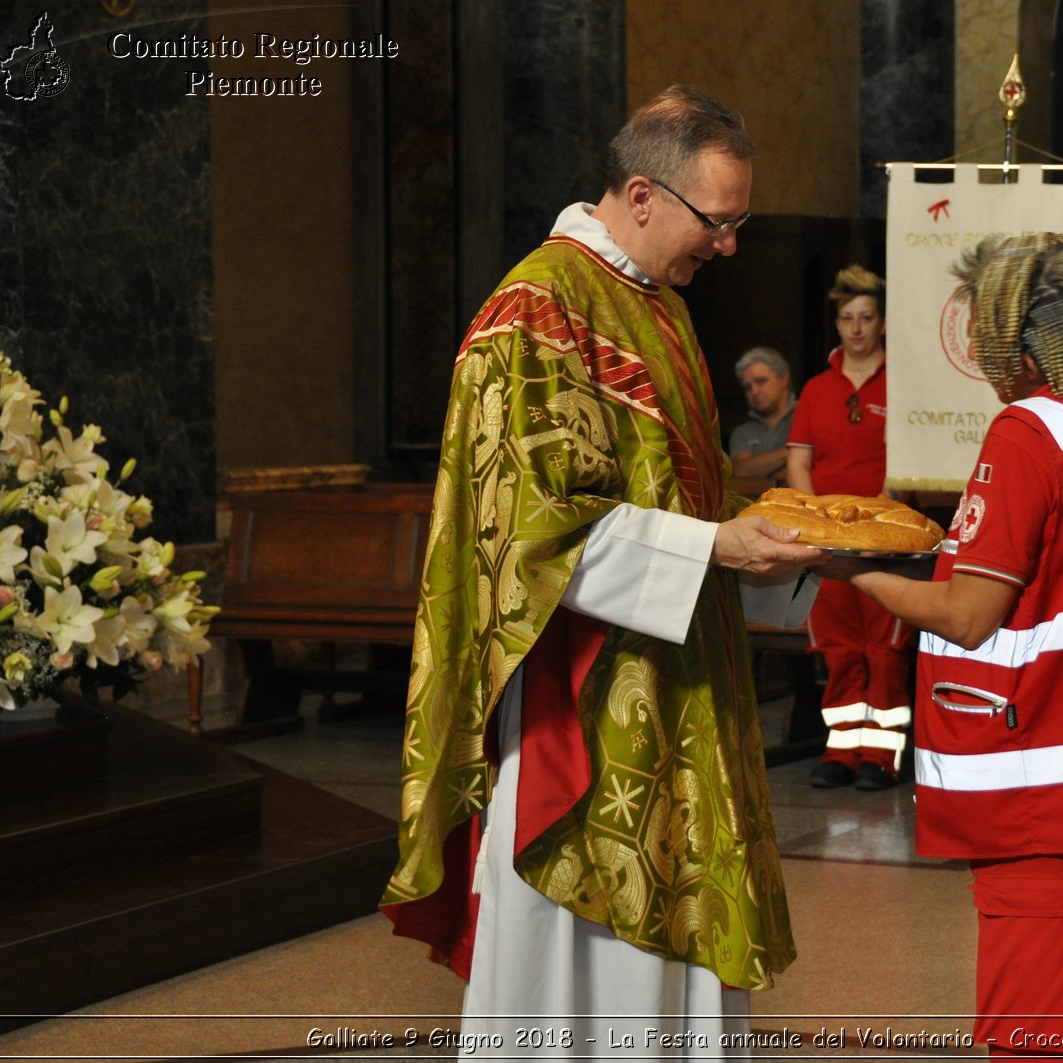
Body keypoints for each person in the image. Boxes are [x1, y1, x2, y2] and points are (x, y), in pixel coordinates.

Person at [378, 85, 824, 1055]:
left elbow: (670, 491)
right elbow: (530, 529)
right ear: (641, 194)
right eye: (720, 221)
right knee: (582, 973)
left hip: (676, 679)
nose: (730, 244)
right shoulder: (535, 310)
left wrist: (752, 535)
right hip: (579, 702)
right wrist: (714, 545)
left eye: (742, 222)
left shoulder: (651, 305)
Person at [823, 234, 1063, 1054]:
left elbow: (969, 614)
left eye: (987, 330)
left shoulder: (1030, 431)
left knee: (1037, 1037)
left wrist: (845, 567)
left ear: (1025, 345)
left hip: (1049, 791)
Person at [785, 264, 912, 791]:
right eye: (846, 318)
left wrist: (886, 510)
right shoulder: (817, 388)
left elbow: (911, 458)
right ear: (837, 325)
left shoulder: (904, 384)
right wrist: (812, 519)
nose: (856, 327)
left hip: (884, 537)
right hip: (830, 539)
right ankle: (840, 750)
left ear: (882, 324)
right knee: (838, 647)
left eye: (866, 317)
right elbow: (799, 461)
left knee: (885, 646)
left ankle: (881, 757)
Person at [728, 345, 795, 496]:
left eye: (761, 381)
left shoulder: (807, 416)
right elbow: (740, 471)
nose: (754, 391)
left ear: (783, 378)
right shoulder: (742, 432)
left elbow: (817, 472)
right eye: (747, 387)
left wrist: (756, 477)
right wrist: (792, 451)